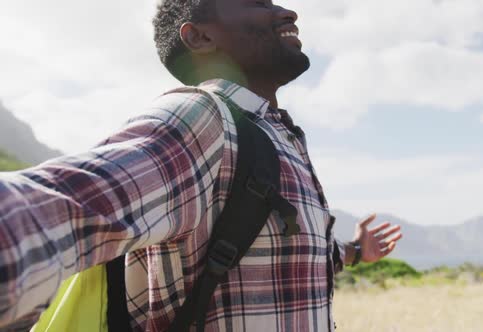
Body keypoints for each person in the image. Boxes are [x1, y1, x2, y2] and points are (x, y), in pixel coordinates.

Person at [0, 0, 402, 330]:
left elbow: (283, 258)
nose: (286, 12)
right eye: (257, 3)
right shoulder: (202, 121)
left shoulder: (278, 137)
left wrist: (353, 252)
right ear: (200, 37)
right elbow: (53, 210)